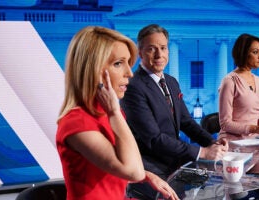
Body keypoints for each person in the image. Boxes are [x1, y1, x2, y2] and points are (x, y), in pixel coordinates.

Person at [56, 26, 178, 200]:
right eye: (118, 63)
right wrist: (114, 112)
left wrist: (148, 175)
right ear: (93, 70)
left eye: (128, 63)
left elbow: (114, 163)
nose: (129, 73)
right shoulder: (77, 123)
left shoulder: (106, 112)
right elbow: (132, 171)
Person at [121, 24, 228, 199]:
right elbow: (154, 139)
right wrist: (202, 152)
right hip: (151, 175)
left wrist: (212, 143)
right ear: (140, 53)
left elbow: (186, 122)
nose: (159, 55)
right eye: (151, 49)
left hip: (175, 167)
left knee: (221, 189)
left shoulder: (171, 82)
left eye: (163, 48)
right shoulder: (133, 87)